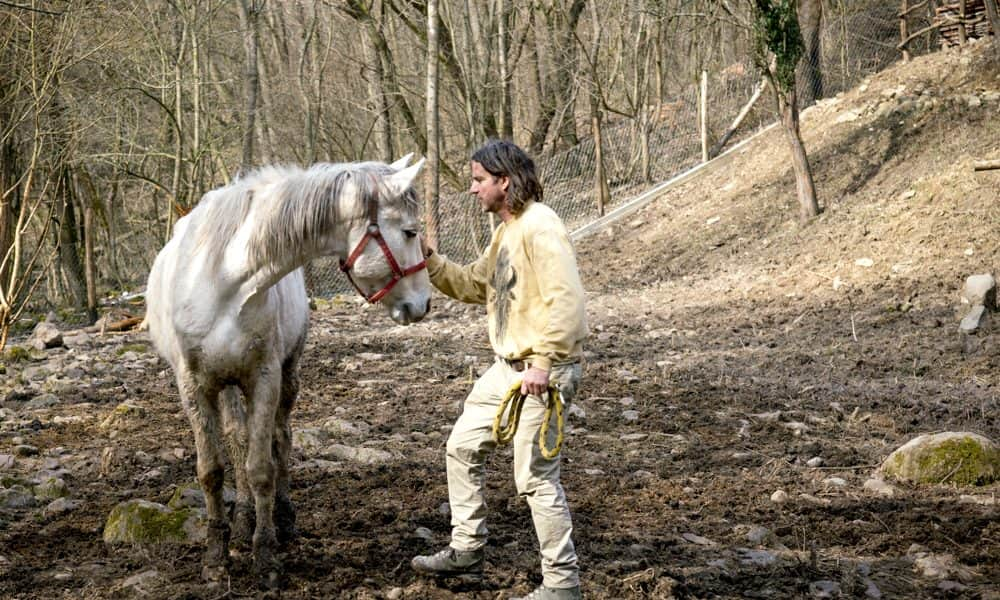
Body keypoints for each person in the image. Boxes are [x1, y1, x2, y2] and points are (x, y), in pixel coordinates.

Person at [411, 139, 588, 600]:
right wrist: (429, 259)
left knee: (535, 479)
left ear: (503, 182)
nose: (472, 190)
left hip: (538, 372)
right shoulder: (505, 231)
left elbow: (567, 302)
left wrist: (543, 364)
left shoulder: (541, 226)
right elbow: (476, 285)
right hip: (507, 370)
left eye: (478, 180)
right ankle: (466, 551)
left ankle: (562, 586)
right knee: (461, 446)